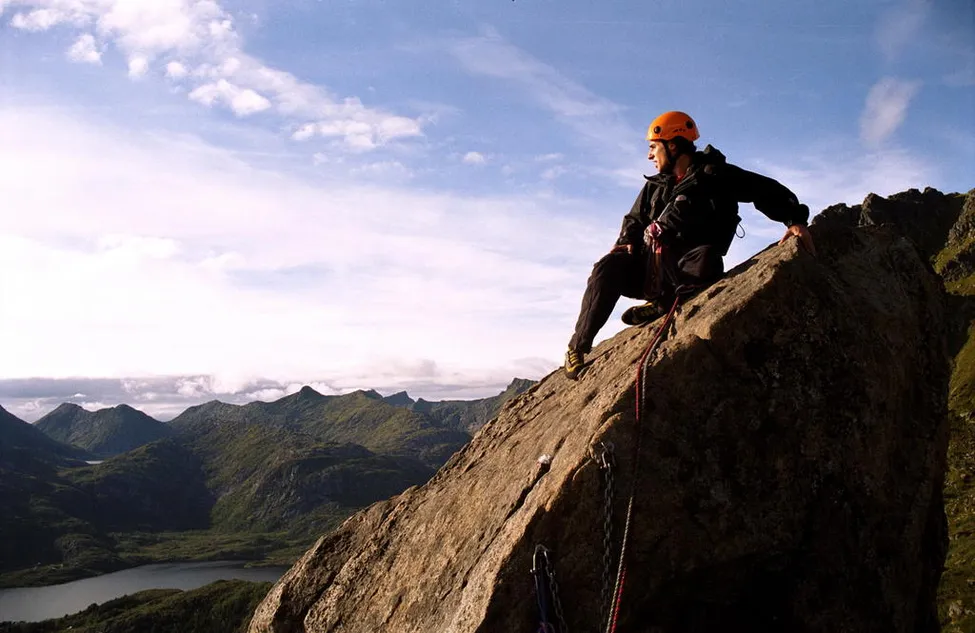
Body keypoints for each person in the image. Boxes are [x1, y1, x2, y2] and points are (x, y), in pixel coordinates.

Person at [564, 110, 815, 380]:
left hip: (688, 268)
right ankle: (577, 347)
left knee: (707, 257)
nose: (650, 156)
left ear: (672, 145)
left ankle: (663, 303)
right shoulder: (656, 187)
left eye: (653, 147)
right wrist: (626, 242)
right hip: (649, 269)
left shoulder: (715, 176)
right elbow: (634, 220)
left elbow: (765, 190)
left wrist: (794, 220)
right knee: (607, 267)